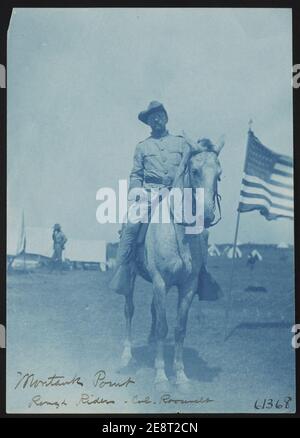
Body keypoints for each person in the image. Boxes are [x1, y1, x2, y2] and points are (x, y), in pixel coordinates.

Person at [110, 101, 215, 298]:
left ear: (166, 118)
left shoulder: (181, 142)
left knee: (203, 230)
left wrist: (209, 148)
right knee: (131, 224)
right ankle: (124, 269)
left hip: (177, 194)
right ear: (148, 122)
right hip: (150, 194)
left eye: (159, 115)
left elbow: (199, 156)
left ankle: (202, 274)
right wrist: (136, 191)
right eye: (151, 117)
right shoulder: (142, 147)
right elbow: (135, 174)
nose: (156, 119)